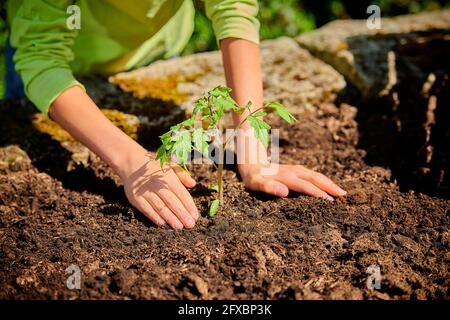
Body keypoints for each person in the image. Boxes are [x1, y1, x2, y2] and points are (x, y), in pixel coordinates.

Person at [6, 0, 346, 230]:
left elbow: (234, 9)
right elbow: (42, 61)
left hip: (160, 45)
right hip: (65, 64)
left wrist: (254, 154)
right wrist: (133, 162)